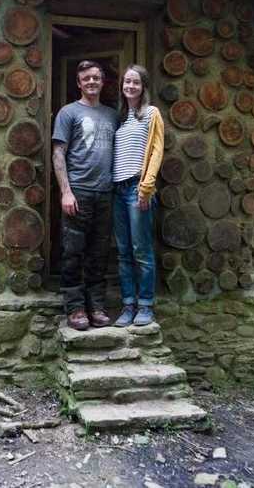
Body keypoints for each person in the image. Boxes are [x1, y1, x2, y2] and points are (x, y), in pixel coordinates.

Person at [52, 60, 119, 331]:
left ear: (102, 82)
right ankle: (76, 307)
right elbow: (58, 152)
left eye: (96, 78)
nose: (91, 82)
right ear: (78, 84)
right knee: (72, 252)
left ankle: (97, 305)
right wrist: (65, 192)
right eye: (86, 79)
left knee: (99, 253)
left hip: (105, 193)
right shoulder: (68, 113)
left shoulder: (112, 114)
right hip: (78, 191)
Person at [111, 64, 164, 327]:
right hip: (117, 191)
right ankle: (128, 305)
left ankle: (145, 306)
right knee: (122, 252)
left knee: (140, 250)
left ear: (143, 86)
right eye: (126, 82)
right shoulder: (119, 116)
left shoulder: (151, 114)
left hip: (137, 189)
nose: (130, 86)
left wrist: (146, 188)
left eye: (135, 82)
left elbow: (156, 152)